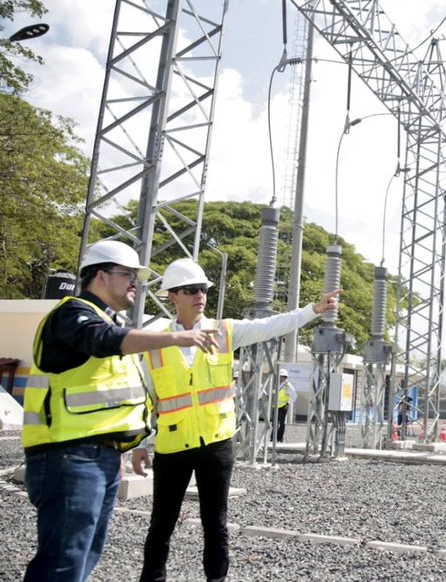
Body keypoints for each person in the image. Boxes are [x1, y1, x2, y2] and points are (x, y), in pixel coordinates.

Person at [131, 258, 340, 582]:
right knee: (161, 524)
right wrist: (142, 443)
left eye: (202, 289)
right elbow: (149, 398)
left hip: (216, 444)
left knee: (216, 524)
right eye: (190, 290)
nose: (200, 295)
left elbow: (272, 325)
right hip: (172, 446)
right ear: (172, 296)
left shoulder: (224, 331)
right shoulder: (155, 343)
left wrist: (313, 309)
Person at [22, 240, 219, 582]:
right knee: (62, 565)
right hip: (68, 456)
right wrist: (177, 338)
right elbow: (102, 340)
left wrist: (129, 445)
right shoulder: (72, 313)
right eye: (127, 274)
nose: (134, 283)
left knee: (82, 558)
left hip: (101, 456)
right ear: (100, 276)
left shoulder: (109, 320)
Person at [275, 368, 296, 443]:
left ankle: (279, 438)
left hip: (283, 406)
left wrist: (288, 403)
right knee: (274, 423)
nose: (279, 378)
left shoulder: (288, 386)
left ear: (284, 377)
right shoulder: (277, 384)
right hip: (275, 406)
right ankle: (273, 438)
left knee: (281, 423)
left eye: (281, 376)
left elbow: (294, 395)